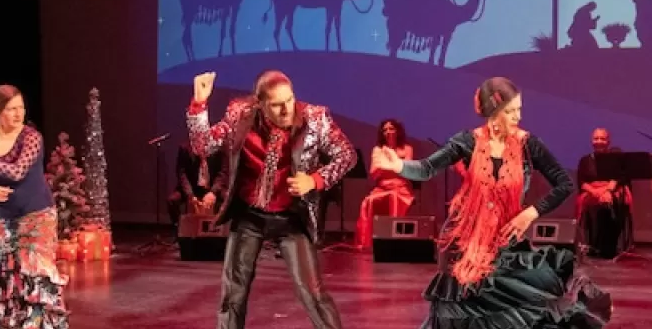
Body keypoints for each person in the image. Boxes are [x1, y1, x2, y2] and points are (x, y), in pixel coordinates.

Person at [371, 77, 611, 328]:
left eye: (519, 109)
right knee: (463, 316)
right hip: (463, 244)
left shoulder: (528, 145)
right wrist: (397, 165)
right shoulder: (468, 141)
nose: (517, 116)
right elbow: (426, 168)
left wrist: (529, 214)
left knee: (526, 306)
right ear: (493, 112)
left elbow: (565, 184)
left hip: (506, 242)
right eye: (510, 111)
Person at [186, 70, 356, 329]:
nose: (286, 109)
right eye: (276, 104)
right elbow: (203, 147)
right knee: (234, 291)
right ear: (260, 104)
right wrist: (199, 104)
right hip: (249, 215)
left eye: (289, 100)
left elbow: (347, 155)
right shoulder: (239, 114)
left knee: (312, 291)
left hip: (291, 216)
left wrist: (314, 180)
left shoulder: (315, 118)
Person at [0, 85, 68, 328]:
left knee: (37, 279)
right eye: (11, 109)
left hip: (36, 216)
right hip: (2, 217)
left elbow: (18, 172)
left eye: (20, 108)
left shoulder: (31, 137)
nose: (18, 114)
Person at [356, 118, 415, 249]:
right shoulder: (378, 149)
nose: (388, 132)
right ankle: (369, 243)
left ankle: (394, 242)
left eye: (391, 128)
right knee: (367, 202)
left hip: (400, 189)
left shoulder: (407, 148)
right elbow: (373, 172)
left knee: (393, 199)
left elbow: (406, 171)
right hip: (381, 188)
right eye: (385, 130)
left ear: (398, 131)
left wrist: (384, 166)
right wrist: (395, 166)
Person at [575, 128, 631, 259]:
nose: (599, 141)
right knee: (595, 205)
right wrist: (596, 192)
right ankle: (593, 245)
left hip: (611, 191)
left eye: (602, 138)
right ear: (591, 141)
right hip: (591, 192)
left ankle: (608, 247)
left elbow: (619, 178)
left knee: (611, 203)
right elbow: (582, 182)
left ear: (608, 141)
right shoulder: (585, 160)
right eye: (596, 138)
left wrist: (608, 191)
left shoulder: (615, 159)